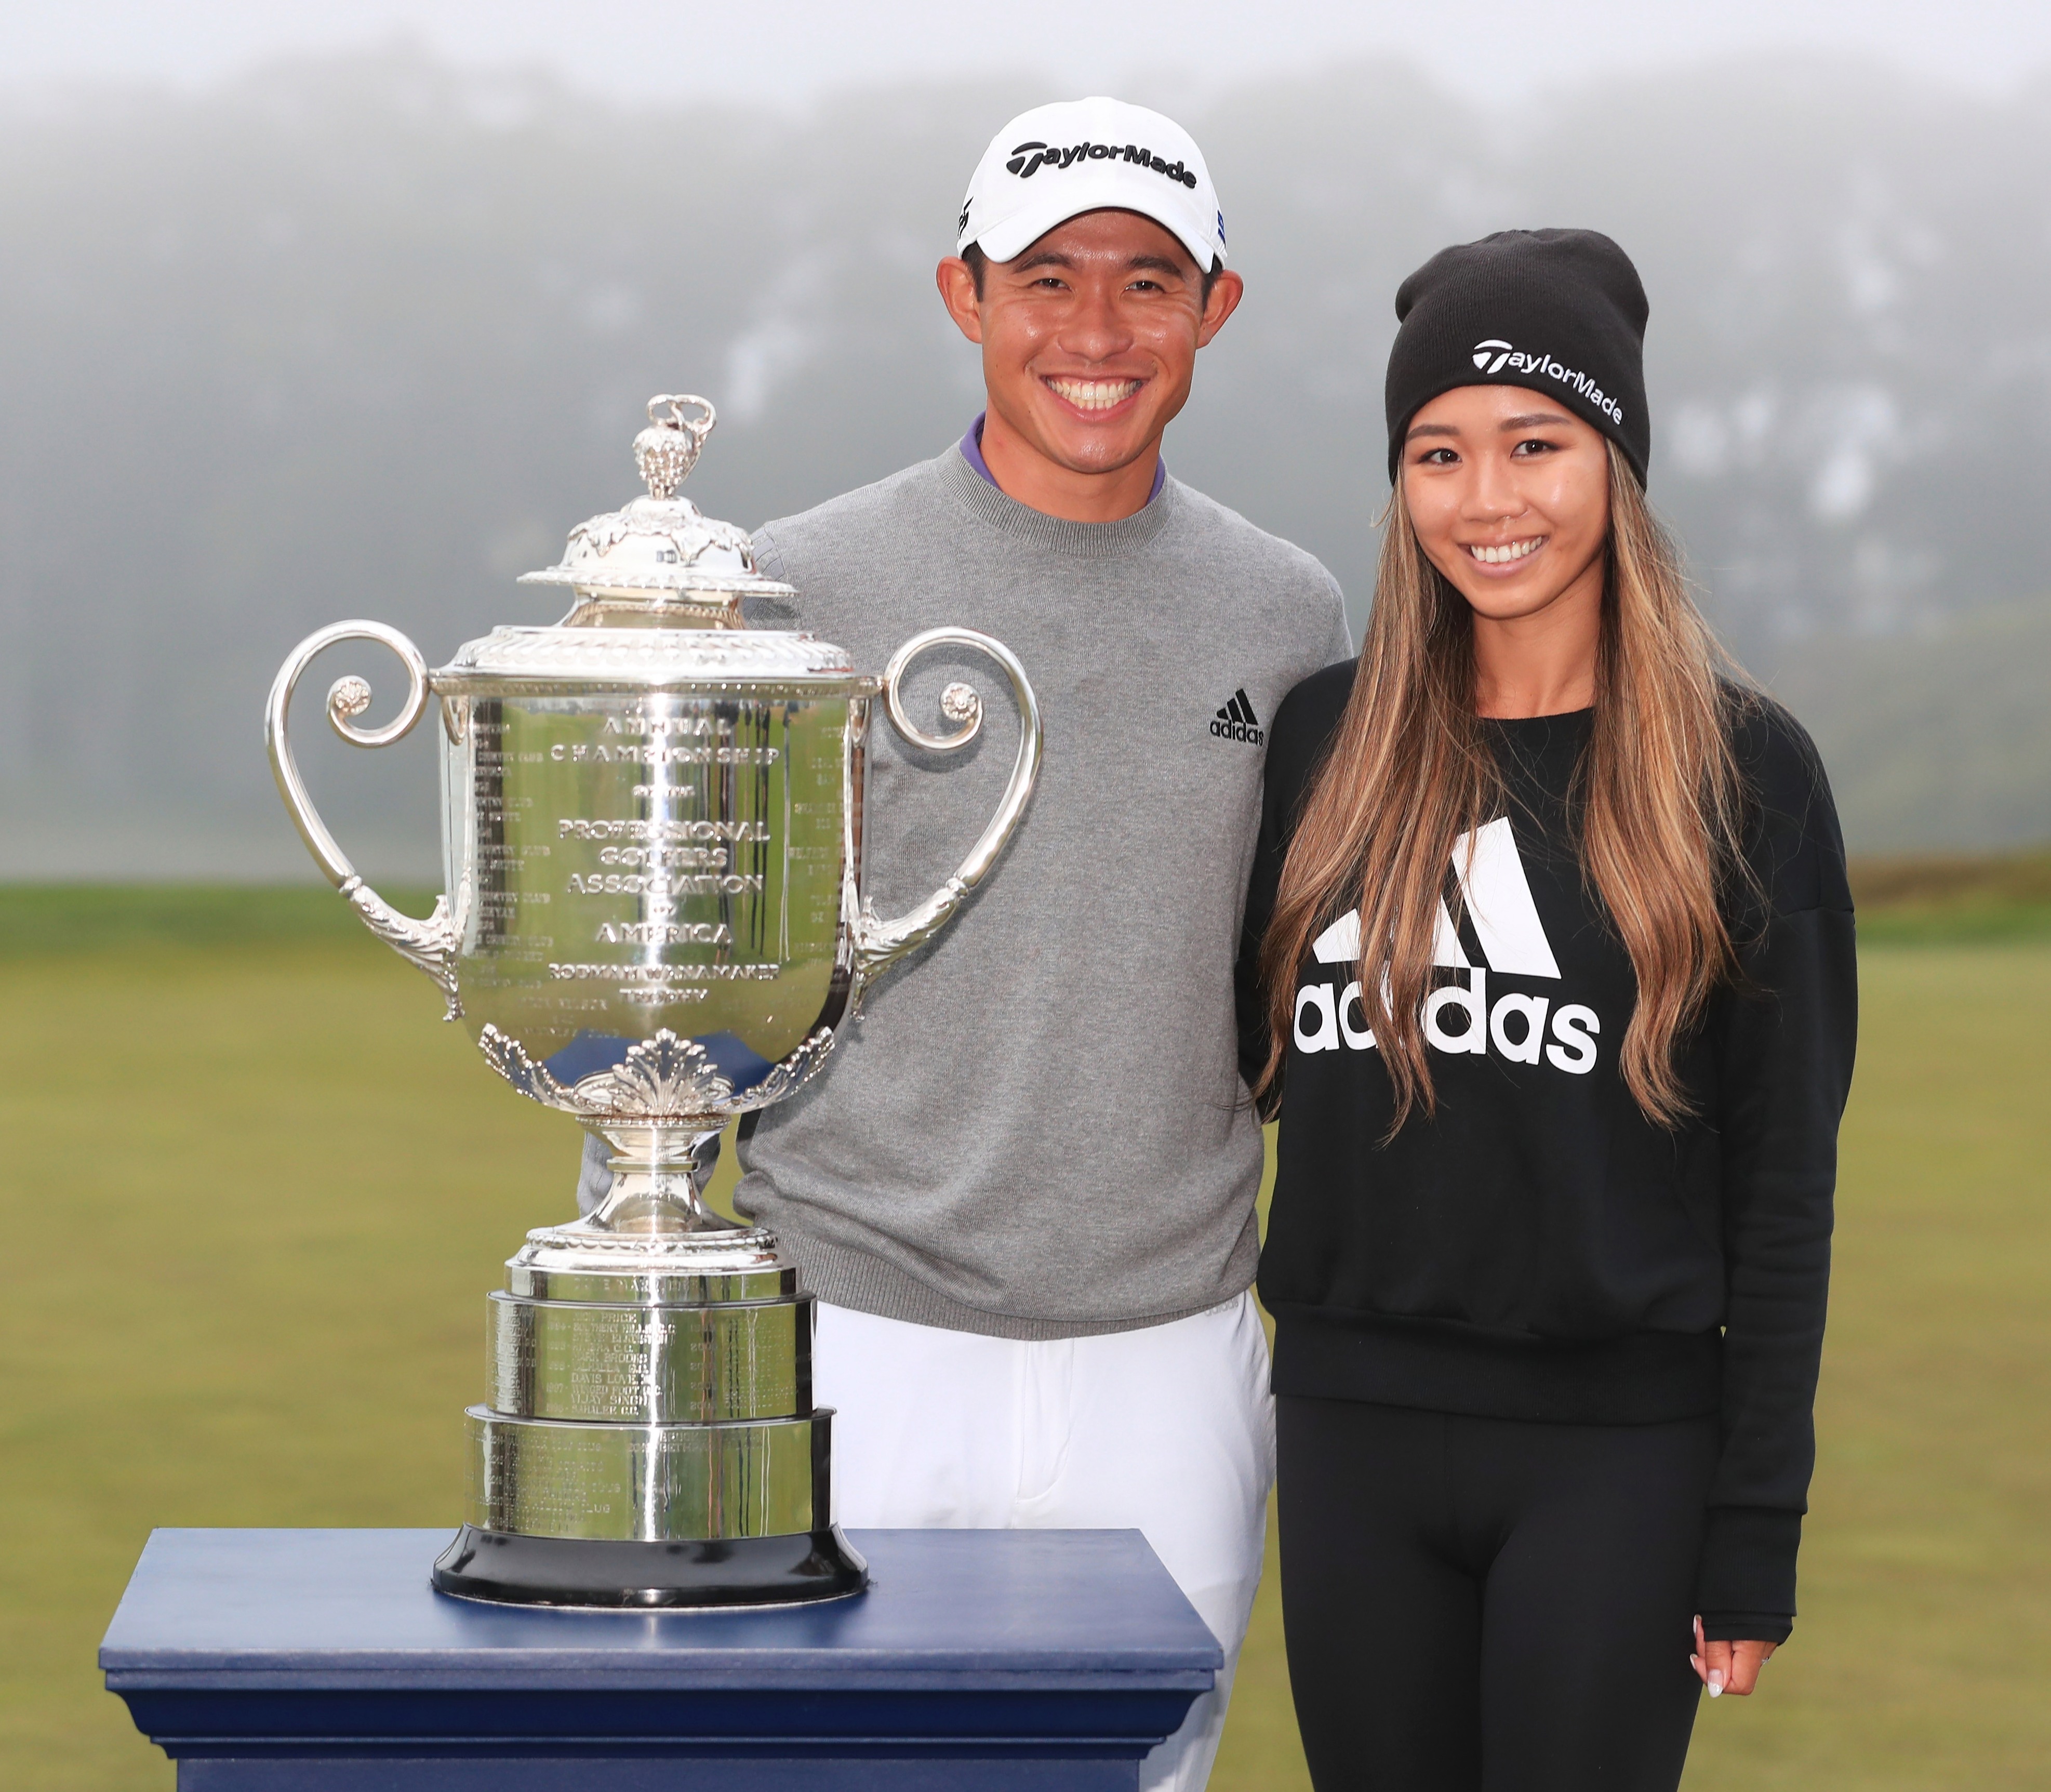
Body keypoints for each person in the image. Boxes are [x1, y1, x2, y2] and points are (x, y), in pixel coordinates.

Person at [581, 96, 1351, 1790]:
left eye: (1149, 283)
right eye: (1046, 278)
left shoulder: (1287, 613)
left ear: (1216, 309)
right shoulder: (794, 584)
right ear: (962, 294)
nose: (1095, 331)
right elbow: (685, 969)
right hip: (860, 1326)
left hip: (1169, 1342)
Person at [1236, 230, 1856, 1790]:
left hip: (1615, 1461)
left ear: (1615, 463)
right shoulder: (1323, 743)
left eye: (1535, 445)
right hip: (1348, 1438)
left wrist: (1752, 1525)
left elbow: (1780, 1191)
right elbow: (1243, 1067)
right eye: (1437, 453)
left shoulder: (1742, 773)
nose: (1486, 497)